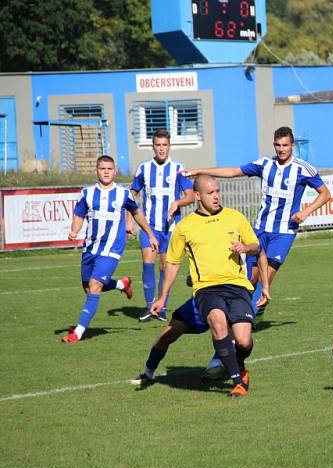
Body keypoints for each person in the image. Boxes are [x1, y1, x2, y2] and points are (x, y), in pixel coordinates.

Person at [182, 126, 331, 377]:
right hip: (259, 230)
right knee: (246, 282)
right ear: (274, 145)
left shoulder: (303, 169)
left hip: (283, 232)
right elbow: (233, 171)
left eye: (285, 145)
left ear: (292, 146)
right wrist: (200, 170)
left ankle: (222, 352)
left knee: (263, 280)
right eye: (277, 145)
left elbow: (325, 193)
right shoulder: (265, 165)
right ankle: (237, 318)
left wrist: (305, 212)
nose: (281, 149)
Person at [146, 174, 269, 397]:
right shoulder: (184, 227)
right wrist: (162, 297)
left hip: (237, 287)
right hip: (206, 289)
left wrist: (245, 247)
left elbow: (255, 246)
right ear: (197, 196)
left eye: (218, 191)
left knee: (243, 341)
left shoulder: (235, 217)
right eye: (211, 193)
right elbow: (172, 265)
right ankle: (238, 382)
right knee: (217, 320)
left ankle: (239, 365)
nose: (216, 196)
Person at [61, 155, 159, 343]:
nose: (106, 171)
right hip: (91, 247)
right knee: (87, 287)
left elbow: (137, 213)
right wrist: (74, 230)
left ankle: (77, 333)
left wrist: (151, 234)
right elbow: (79, 214)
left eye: (109, 168)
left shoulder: (123, 194)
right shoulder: (87, 193)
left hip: (112, 248)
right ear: (97, 171)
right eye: (102, 168)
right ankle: (122, 284)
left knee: (95, 286)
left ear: (114, 171)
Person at [129, 129, 195, 321]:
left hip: (171, 228)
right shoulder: (144, 168)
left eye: (164, 145)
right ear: (153, 146)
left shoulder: (178, 168)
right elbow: (132, 193)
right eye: (158, 145)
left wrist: (178, 203)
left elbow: (190, 196)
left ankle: (162, 306)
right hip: (150, 228)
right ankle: (150, 307)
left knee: (165, 268)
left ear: (169, 146)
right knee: (148, 266)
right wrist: (128, 218)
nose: (161, 149)